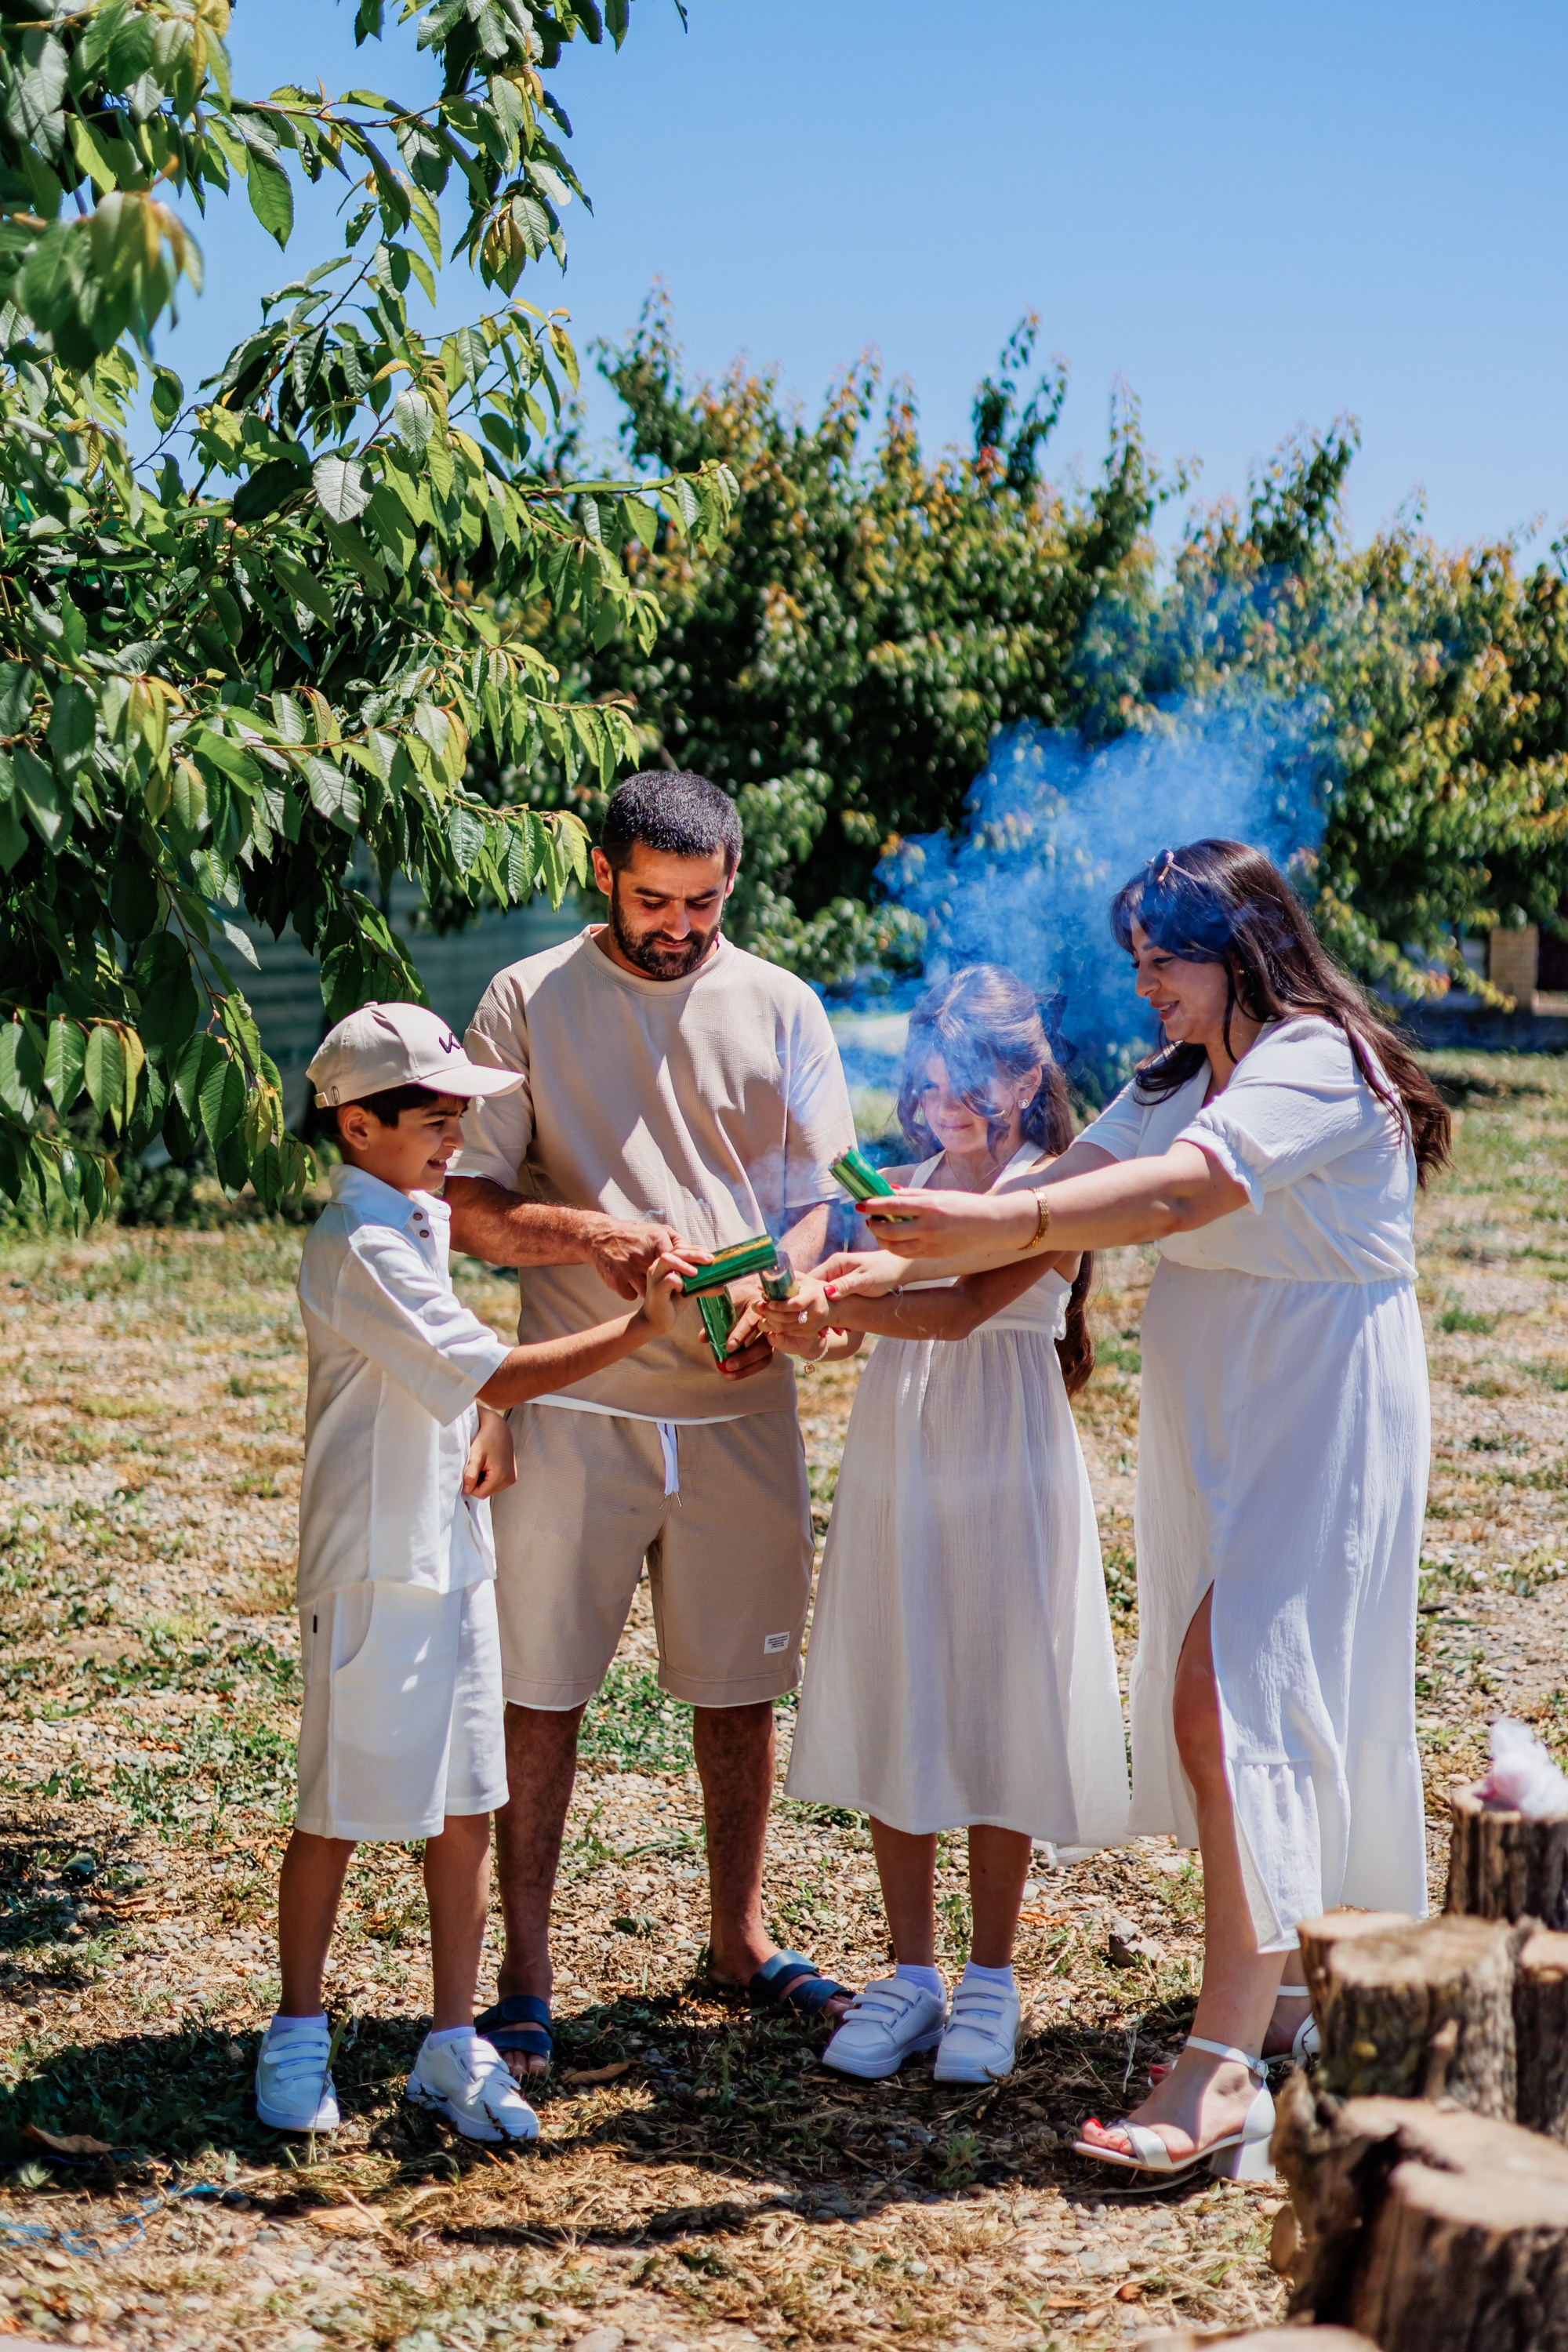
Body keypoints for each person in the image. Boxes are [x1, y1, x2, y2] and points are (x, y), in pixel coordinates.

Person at [829, 841, 1448, 2181]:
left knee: (1225, 1698)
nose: (1145, 987)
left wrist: (1003, 1210)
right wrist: (864, 1274)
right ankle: (1282, 1996)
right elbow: (1037, 1231)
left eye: (1163, 960)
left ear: (1240, 948)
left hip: (1321, 1401)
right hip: (1222, 1410)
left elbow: (1183, 1193)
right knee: (1247, 1701)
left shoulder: (1314, 1060)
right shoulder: (1175, 1076)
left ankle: (1218, 2066)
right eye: (1137, 963)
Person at [444, 771, 859, 2078]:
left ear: (734, 879)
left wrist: (782, 1287)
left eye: (703, 901)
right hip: (575, 1394)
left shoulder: (784, 1003)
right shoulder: (524, 999)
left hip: (742, 1403)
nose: (678, 925)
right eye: (651, 900)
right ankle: (523, 1977)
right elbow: (470, 1204)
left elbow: (816, 1196)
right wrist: (598, 1234)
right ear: (602, 875)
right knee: (538, 1691)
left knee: (740, 1691)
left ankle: (738, 1942)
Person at [256, 1001, 692, 2144]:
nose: (456, 1139)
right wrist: (639, 1329)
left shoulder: (415, 1218)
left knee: (465, 1801)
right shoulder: (354, 1243)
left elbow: (452, 1380)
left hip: (450, 1551)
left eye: (462, 1118)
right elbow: (491, 1369)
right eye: (435, 1119)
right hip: (372, 1566)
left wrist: (475, 1432)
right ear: (357, 1126)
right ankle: (298, 2030)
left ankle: (454, 2042)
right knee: (338, 1809)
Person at [758, 967, 1130, 2086]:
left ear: (1025, 1077)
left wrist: (854, 1289)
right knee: (905, 1677)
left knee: (997, 1688)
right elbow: (849, 1333)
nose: (936, 1107)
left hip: (1005, 1459)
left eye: (963, 1085)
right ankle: (912, 1972)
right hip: (903, 1455)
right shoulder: (904, 1182)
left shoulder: (1052, 1189)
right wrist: (798, 1313)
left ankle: (991, 1977)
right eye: (922, 1085)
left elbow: (962, 1305)